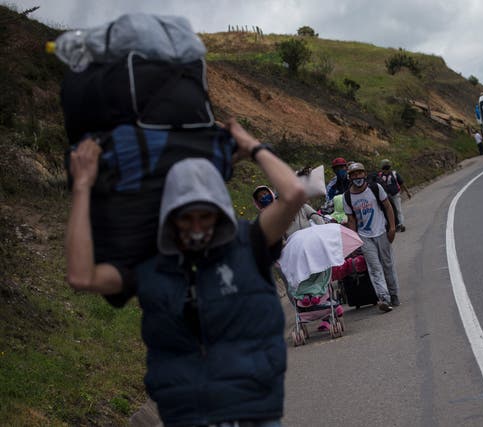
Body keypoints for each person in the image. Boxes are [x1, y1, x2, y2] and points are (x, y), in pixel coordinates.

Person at [65, 118, 307, 427]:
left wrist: (251, 146)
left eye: (204, 216)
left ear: (219, 213)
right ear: (169, 217)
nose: (196, 228)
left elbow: (293, 194)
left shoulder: (248, 243)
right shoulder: (149, 265)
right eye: (185, 218)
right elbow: (81, 276)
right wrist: (83, 187)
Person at [342, 162, 400, 311]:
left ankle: (394, 295)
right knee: (374, 268)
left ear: (365, 174)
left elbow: (387, 206)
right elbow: (352, 220)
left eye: (359, 173)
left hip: (381, 231)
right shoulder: (347, 197)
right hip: (364, 237)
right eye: (354, 174)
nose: (357, 177)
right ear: (349, 177)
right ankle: (383, 298)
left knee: (387, 265)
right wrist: (354, 240)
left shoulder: (375, 188)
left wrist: (392, 227)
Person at [377, 159, 411, 232]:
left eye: (387, 167)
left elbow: (401, 183)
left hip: (395, 194)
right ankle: (391, 225)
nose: (386, 169)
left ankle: (401, 224)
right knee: (388, 211)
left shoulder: (394, 174)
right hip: (385, 197)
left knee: (398, 209)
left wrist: (407, 192)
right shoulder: (379, 175)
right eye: (384, 168)